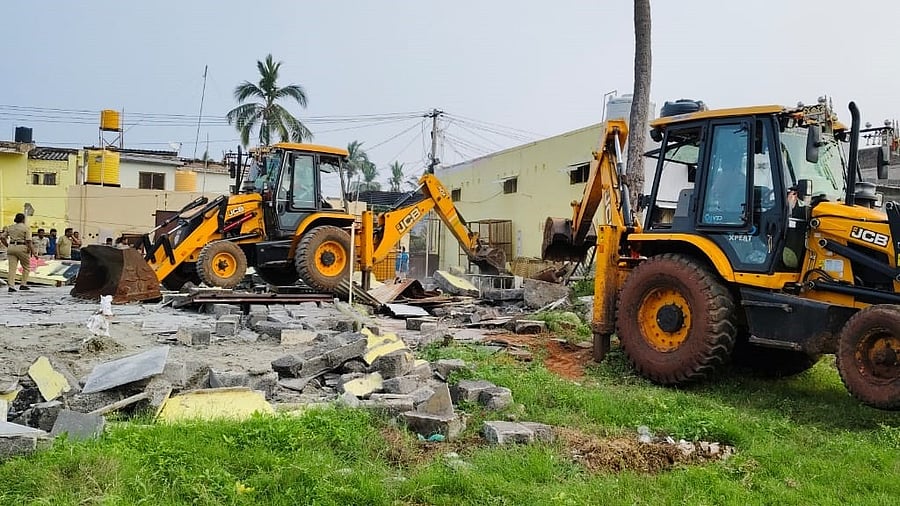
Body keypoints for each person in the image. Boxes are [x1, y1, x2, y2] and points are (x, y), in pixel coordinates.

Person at [1, 213, 35, 292]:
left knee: (12, 268)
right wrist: (33, 252)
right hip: (22, 247)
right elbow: (29, 241)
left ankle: (11, 286)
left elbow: (2, 237)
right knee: (26, 267)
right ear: (23, 219)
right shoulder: (26, 228)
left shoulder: (10, 227)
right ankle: (23, 284)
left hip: (11, 247)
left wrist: (7, 245)